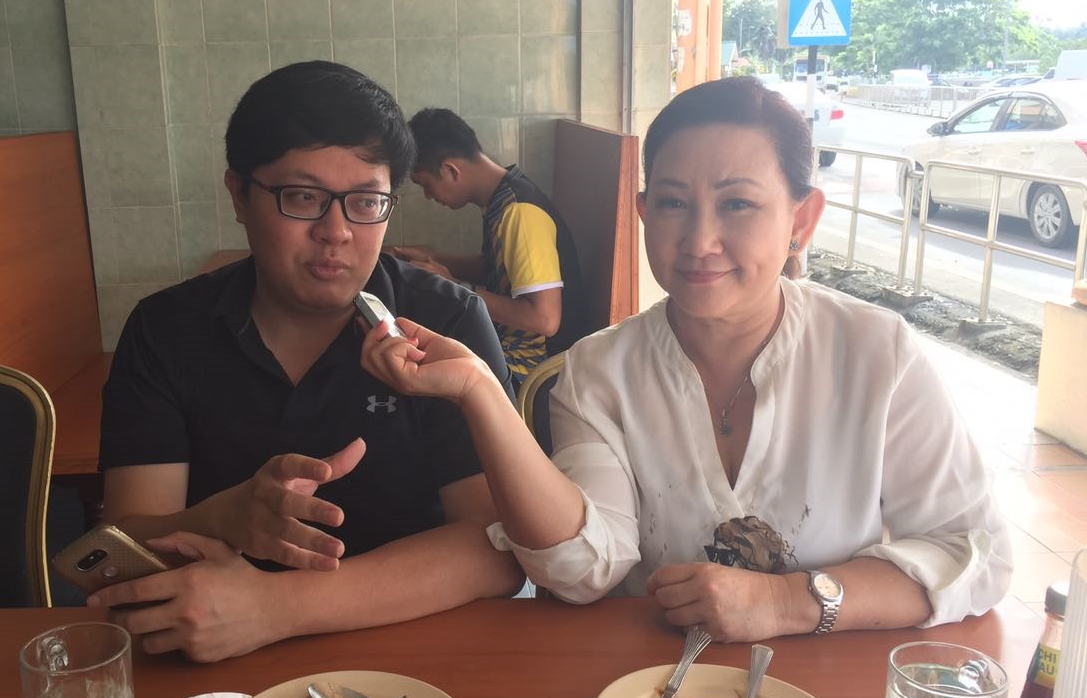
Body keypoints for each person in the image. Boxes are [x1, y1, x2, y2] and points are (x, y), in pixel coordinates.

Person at [361, 76, 1012, 642]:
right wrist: (481, 391)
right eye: (673, 203)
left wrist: (788, 602)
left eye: (737, 204)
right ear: (644, 214)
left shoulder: (875, 353)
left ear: (801, 220)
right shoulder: (600, 371)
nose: (700, 241)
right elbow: (583, 571)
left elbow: (976, 554)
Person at [89, 61, 523, 661]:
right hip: (215, 663)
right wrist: (220, 518)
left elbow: (496, 550)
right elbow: (120, 550)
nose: (336, 232)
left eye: (366, 201)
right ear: (239, 195)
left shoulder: (445, 322)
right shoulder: (166, 331)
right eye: (302, 197)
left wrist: (276, 607)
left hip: (414, 656)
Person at [394, 108, 585, 382]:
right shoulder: (501, 199)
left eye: (425, 184)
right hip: (513, 348)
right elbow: (493, 268)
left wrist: (455, 286)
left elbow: (544, 319)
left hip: (534, 372)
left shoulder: (520, 213)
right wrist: (434, 259)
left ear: (450, 170)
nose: (428, 195)